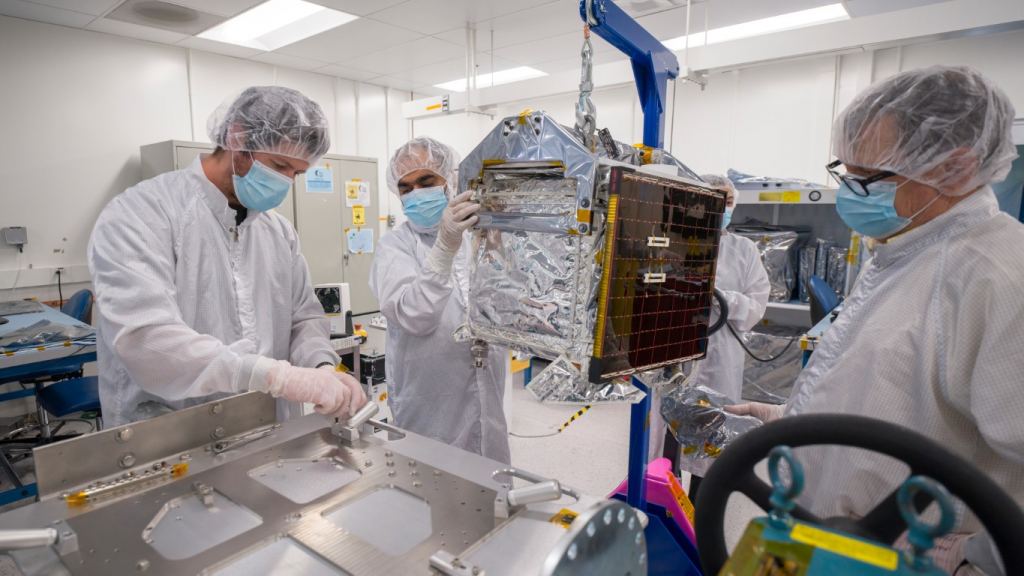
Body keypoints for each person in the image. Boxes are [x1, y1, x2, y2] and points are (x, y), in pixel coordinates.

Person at [730, 66, 1021, 574]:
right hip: (822, 538)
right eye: (847, 172)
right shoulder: (902, 249)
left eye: (869, 177)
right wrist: (787, 418)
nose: (852, 191)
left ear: (955, 168)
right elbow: (895, 391)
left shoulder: (998, 277)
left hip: (904, 558)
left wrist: (973, 559)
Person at [89, 86, 366, 427]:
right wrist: (278, 377)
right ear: (237, 137)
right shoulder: (142, 213)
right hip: (169, 430)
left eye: (297, 173)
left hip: (266, 426)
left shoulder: (278, 232)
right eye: (279, 165)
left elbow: (304, 319)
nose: (285, 182)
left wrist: (322, 367)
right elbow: (146, 340)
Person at [370, 137, 510, 464]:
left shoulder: (478, 237)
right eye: (406, 188)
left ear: (451, 179)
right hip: (427, 400)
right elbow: (414, 315)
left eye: (426, 181)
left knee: (489, 474)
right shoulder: (394, 247)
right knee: (428, 479)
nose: (416, 193)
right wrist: (445, 248)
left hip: (487, 388)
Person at [648, 175, 770, 474]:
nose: (722, 208)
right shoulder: (669, 242)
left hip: (721, 355)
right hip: (673, 350)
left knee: (712, 434)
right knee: (666, 439)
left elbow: (756, 307)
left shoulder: (744, 250)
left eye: (728, 202)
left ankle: (702, 496)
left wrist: (717, 296)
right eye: (715, 200)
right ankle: (664, 490)